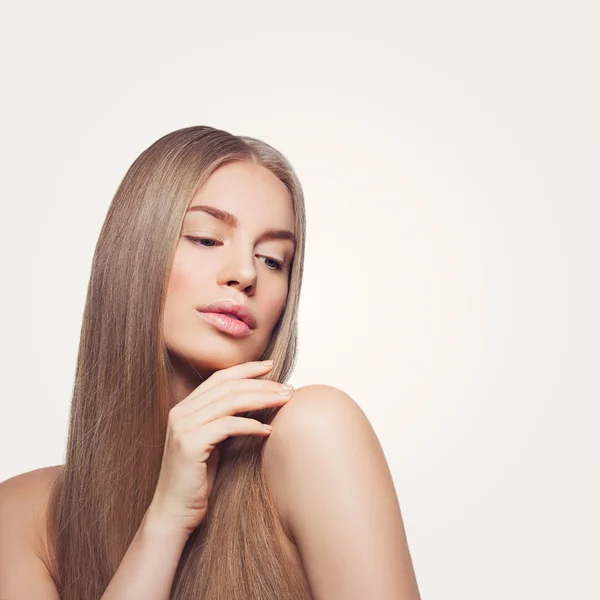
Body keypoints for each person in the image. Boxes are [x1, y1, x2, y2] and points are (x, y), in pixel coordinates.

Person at [0, 125, 421, 599]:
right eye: (206, 239)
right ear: (134, 256)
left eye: (272, 259)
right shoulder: (22, 517)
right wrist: (164, 522)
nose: (244, 273)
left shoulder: (314, 433)